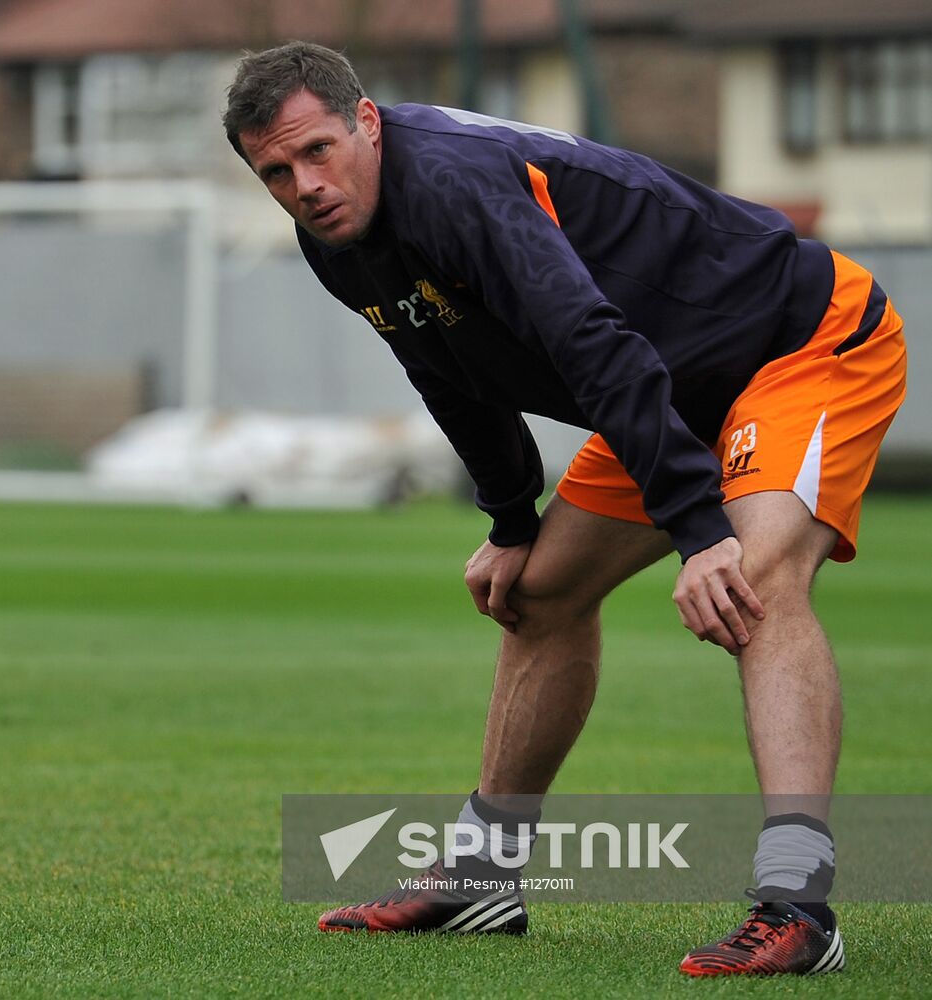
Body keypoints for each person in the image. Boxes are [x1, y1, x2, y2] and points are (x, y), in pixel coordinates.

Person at [223, 41, 906, 976]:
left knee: (755, 579)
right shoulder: (337, 240)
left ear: (367, 121)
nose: (304, 185)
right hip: (669, 384)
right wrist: (510, 521)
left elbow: (590, 342)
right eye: (275, 172)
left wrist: (702, 532)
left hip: (801, 342)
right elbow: (445, 369)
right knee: (538, 595)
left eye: (316, 152)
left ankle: (798, 907)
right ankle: (482, 881)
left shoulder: (453, 186)